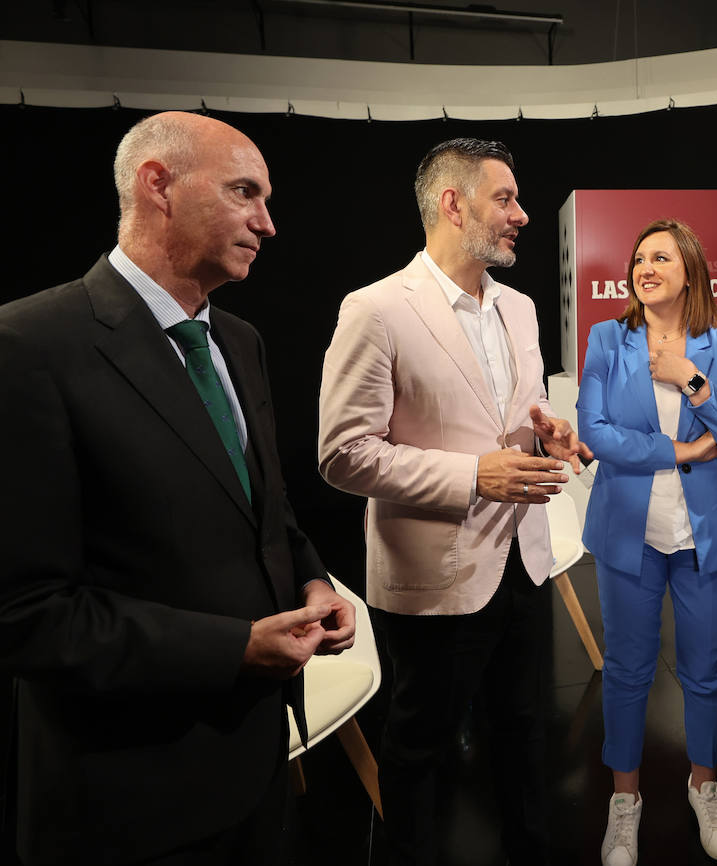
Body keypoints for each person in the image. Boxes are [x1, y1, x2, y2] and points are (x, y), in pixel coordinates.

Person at [0, 111, 356, 866]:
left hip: (257, 768)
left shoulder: (240, 341)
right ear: (156, 185)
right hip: (127, 802)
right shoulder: (26, 346)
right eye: (244, 193)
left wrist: (315, 580)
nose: (268, 222)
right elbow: (27, 613)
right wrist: (234, 649)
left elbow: (266, 509)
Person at [317, 137, 589, 866]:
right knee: (421, 750)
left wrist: (548, 431)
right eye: (506, 198)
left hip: (524, 566)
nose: (522, 215)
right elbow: (343, 455)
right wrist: (474, 475)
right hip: (436, 574)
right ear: (451, 202)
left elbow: (520, 409)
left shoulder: (522, 308)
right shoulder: (374, 309)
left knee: (524, 732)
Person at [577, 218, 717, 865]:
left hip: (706, 533)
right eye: (638, 258)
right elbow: (597, 435)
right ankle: (624, 801)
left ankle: (703, 784)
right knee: (627, 671)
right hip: (629, 531)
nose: (644, 266)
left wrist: (691, 377)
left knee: (709, 669)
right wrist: (682, 448)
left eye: (660, 256)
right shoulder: (607, 338)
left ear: (690, 267)